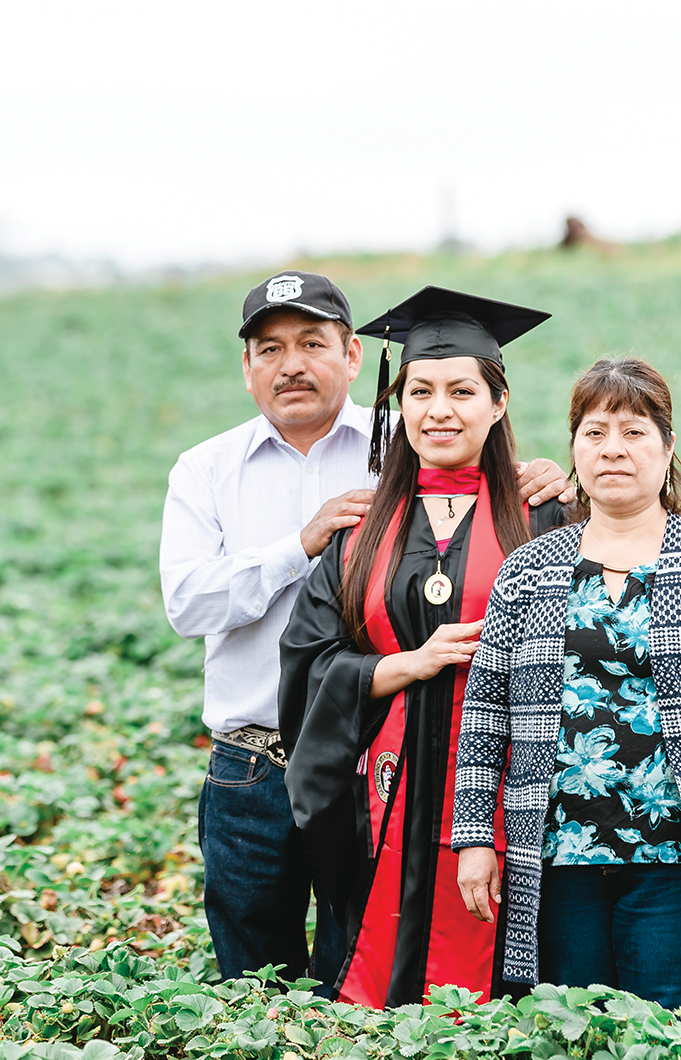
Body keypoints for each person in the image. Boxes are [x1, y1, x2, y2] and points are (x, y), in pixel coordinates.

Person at [159, 272, 572, 993]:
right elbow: (189, 605)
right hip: (256, 766)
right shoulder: (207, 470)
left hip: (394, 779)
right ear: (247, 365)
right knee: (260, 982)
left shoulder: (402, 451)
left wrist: (557, 484)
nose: (291, 364)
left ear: (354, 356)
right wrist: (304, 543)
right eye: (269, 348)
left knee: (375, 954)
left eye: (312, 343)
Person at [452, 357, 681, 1016]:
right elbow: (485, 714)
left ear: (667, 447)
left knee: (663, 1021)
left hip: (671, 853)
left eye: (634, 432)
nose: (613, 449)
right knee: (571, 1024)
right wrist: (472, 838)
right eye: (595, 431)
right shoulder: (530, 571)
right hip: (555, 854)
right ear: (574, 448)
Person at [277, 286, 572, 1008]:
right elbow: (306, 665)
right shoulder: (360, 531)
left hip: (513, 800)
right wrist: (397, 666)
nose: (439, 410)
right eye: (421, 391)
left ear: (497, 404)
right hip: (382, 801)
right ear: (398, 403)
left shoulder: (549, 518)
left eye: (462, 391)